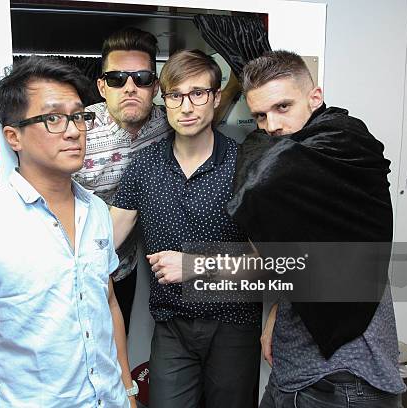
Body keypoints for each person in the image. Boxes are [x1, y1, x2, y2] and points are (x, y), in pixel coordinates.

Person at [0, 56, 136, 408]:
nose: (74, 130)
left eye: (78, 115)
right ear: (14, 137)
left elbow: (107, 303)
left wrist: (128, 390)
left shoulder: (96, 211)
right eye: (53, 118)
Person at [227, 50, 405, 407]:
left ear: (315, 97)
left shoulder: (342, 143)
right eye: (260, 115)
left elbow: (260, 186)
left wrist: (192, 268)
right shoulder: (299, 158)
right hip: (296, 367)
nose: (271, 126)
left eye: (282, 107)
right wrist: (277, 311)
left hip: (345, 373)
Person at [110, 49, 262, 408]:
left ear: (216, 98)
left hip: (234, 324)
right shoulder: (144, 166)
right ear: (165, 102)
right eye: (176, 96)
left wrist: (195, 264)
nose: (187, 106)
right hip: (172, 327)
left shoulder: (245, 165)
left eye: (198, 93)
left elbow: (269, 260)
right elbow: (104, 240)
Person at [74, 27, 172, 333]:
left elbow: (211, 109)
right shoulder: (78, 131)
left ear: (155, 87)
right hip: (78, 270)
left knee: (118, 355)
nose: (130, 87)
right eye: (118, 79)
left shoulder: (171, 121)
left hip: (123, 266)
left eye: (141, 78)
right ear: (102, 87)